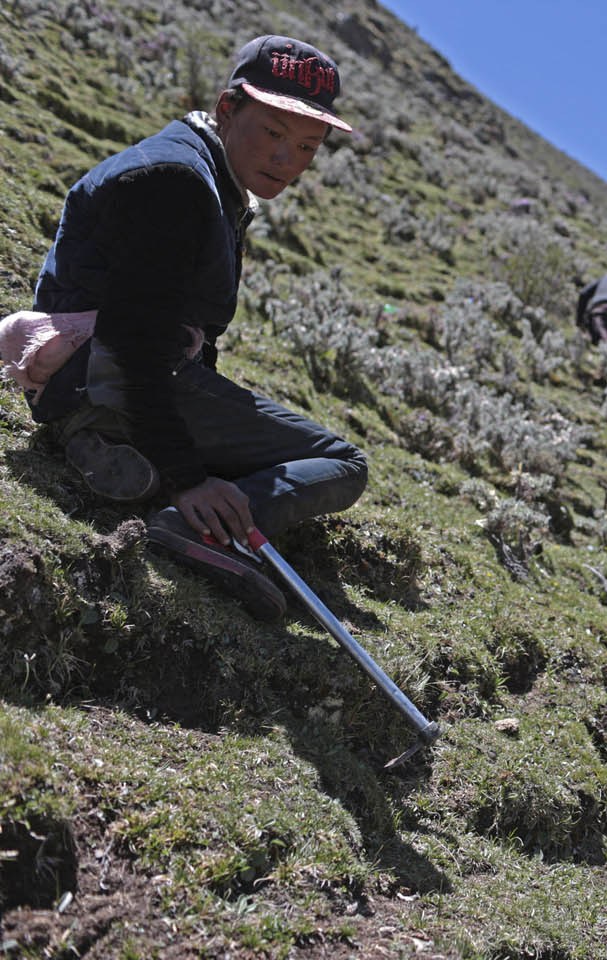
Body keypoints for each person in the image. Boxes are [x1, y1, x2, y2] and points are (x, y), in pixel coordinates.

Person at [22, 35, 368, 621]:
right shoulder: (179, 181)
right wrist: (189, 480)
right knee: (341, 464)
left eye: (308, 145)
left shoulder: (203, 170)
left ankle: (111, 439)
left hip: (92, 374)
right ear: (228, 108)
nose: (288, 160)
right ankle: (193, 524)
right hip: (105, 372)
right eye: (274, 133)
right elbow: (135, 342)